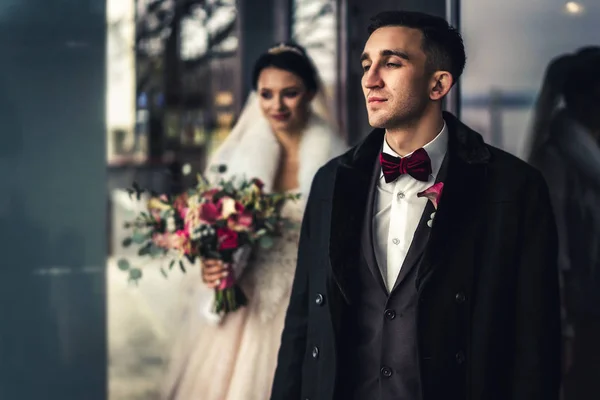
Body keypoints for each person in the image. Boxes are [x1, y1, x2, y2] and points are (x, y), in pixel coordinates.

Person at [271, 11, 561, 400]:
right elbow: (302, 323)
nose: (370, 79)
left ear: (439, 83)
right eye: (366, 64)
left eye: (391, 63)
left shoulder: (514, 187)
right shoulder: (332, 180)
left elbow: (535, 344)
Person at [161, 42, 346, 400]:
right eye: (266, 94)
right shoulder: (238, 159)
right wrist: (212, 263)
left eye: (289, 94)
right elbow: (208, 226)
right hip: (244, 301)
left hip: (310, 300)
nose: (276, 106)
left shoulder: (338, 159)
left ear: (309, 93)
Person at [524, 47, 600, 400]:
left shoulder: (589, 159)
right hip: (580, 321)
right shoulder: (556, 160)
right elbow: (550, 253)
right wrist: (562, 330)